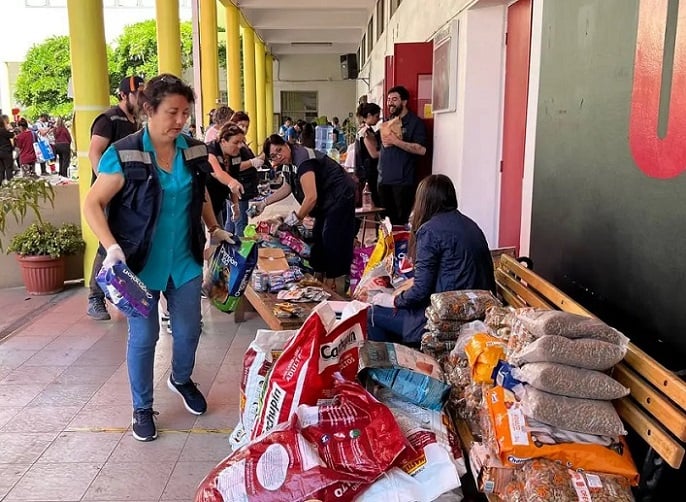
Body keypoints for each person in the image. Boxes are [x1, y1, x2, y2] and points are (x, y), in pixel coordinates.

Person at [83, 74, 235, 442]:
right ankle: (142, 407)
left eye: (185, 112)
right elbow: (93, 202)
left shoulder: (194, 150)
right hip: (138, 264)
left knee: (189, 330)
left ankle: (180, 379)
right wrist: (111, 247)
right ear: (149, 110)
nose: (180, 120)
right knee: (145, 334)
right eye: (172, 112)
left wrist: (214, 228)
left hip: (183, 260)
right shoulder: (124, 152)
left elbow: (200, 196)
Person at [367, 174, 496, 347]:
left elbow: (421, 290)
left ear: (422, 201)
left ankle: (389, 369)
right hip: (474, 309)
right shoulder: (469, 224)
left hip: (448, 317)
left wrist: (392, 300)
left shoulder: (429, 231)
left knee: (371, 314)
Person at [257, 134, 357, 289]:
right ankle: (318, 277)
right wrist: (264, 203)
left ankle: (333, 283)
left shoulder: (303, 159)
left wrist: (295, 219)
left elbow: (311, 197)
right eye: (273, 156)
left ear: (286, 144)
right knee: (318, 236)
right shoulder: (287, 162)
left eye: (279, 150)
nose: (278, 156)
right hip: (326, 199)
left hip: (340, 195)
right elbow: (287, 186)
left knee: (331, 236)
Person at [85, 75, 144, 321]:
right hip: (110, 194)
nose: (141, 99)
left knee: (126, 241)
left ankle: (119, 292)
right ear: (123, 95)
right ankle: (95, 298)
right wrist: (105, 184)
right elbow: (94, 152)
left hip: (129, 196)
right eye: (137, 94)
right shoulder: (108, 119)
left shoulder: (135, 122)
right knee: (106, 245)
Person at [378, 85, 427, 225]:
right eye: (388, 100)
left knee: (400, 223)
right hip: (383, 181)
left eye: (394, 99)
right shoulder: (387, 123)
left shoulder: (415, 122)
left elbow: (422, 150)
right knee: (385, 224)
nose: (390, 103)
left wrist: (396, 141)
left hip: (403, 183)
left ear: (404, 102)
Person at [225, 111, 265, 236]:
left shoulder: (241, 142)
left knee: (232, 221)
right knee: (240, 222)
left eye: (246, 126)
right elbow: (235, 166)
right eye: (241, 125)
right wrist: (252, 162)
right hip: (238, 188)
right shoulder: (234, 144)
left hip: (242, 187)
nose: (244, 128)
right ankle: (238, 252)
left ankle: (227, 250)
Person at [205, 122, 246, 229]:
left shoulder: (235, 155)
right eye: (236, 142)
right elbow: (218, 173)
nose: (240, 146)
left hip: (217, 202)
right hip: (202, 204)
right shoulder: (210, 151)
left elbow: (234, 178)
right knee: (206, 237)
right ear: (223, 141)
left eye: (242, 142)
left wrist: (235, 205)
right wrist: (232, 182)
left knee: (219, 234)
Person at [354, 102, 382, 208]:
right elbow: (374, 154)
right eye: (376, 116)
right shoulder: (366, 133)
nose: (378, 119)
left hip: (365, 172)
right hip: (369, 173)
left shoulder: (363, 130)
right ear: (369, 115)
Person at [0, 115, 15, 183]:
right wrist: (10, 128)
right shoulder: (3, 130)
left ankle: (1, 185)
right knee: (8, 168)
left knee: (1, 169)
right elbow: (12, 135)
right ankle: (10, 183)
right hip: (6, 151)